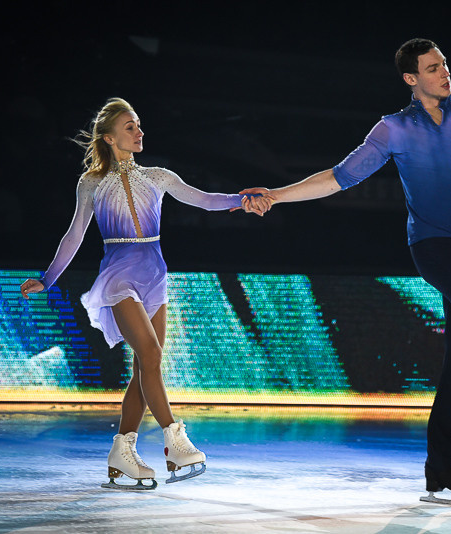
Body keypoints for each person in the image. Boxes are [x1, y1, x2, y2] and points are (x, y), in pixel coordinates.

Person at [241, 38, 451, 503]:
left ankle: (442, 467)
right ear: (411, 78)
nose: (444, 73)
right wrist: (276, 194)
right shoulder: (393, 128)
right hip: (433, 246)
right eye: (432, 68)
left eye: (445, 64)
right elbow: (338, 177)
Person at [20, 97, 270, 490]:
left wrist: (242, 200)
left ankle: (123, 451)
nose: (139, 132)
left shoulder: (158, 176)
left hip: (155, 275)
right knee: (151, 355)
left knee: (143, 369)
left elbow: (205, 200)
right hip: (118, 276)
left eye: (138, 125)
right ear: (109, 137)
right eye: (130, 127)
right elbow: (74, 235)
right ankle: (175, 440)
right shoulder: (92, 183)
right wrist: (48, 279)